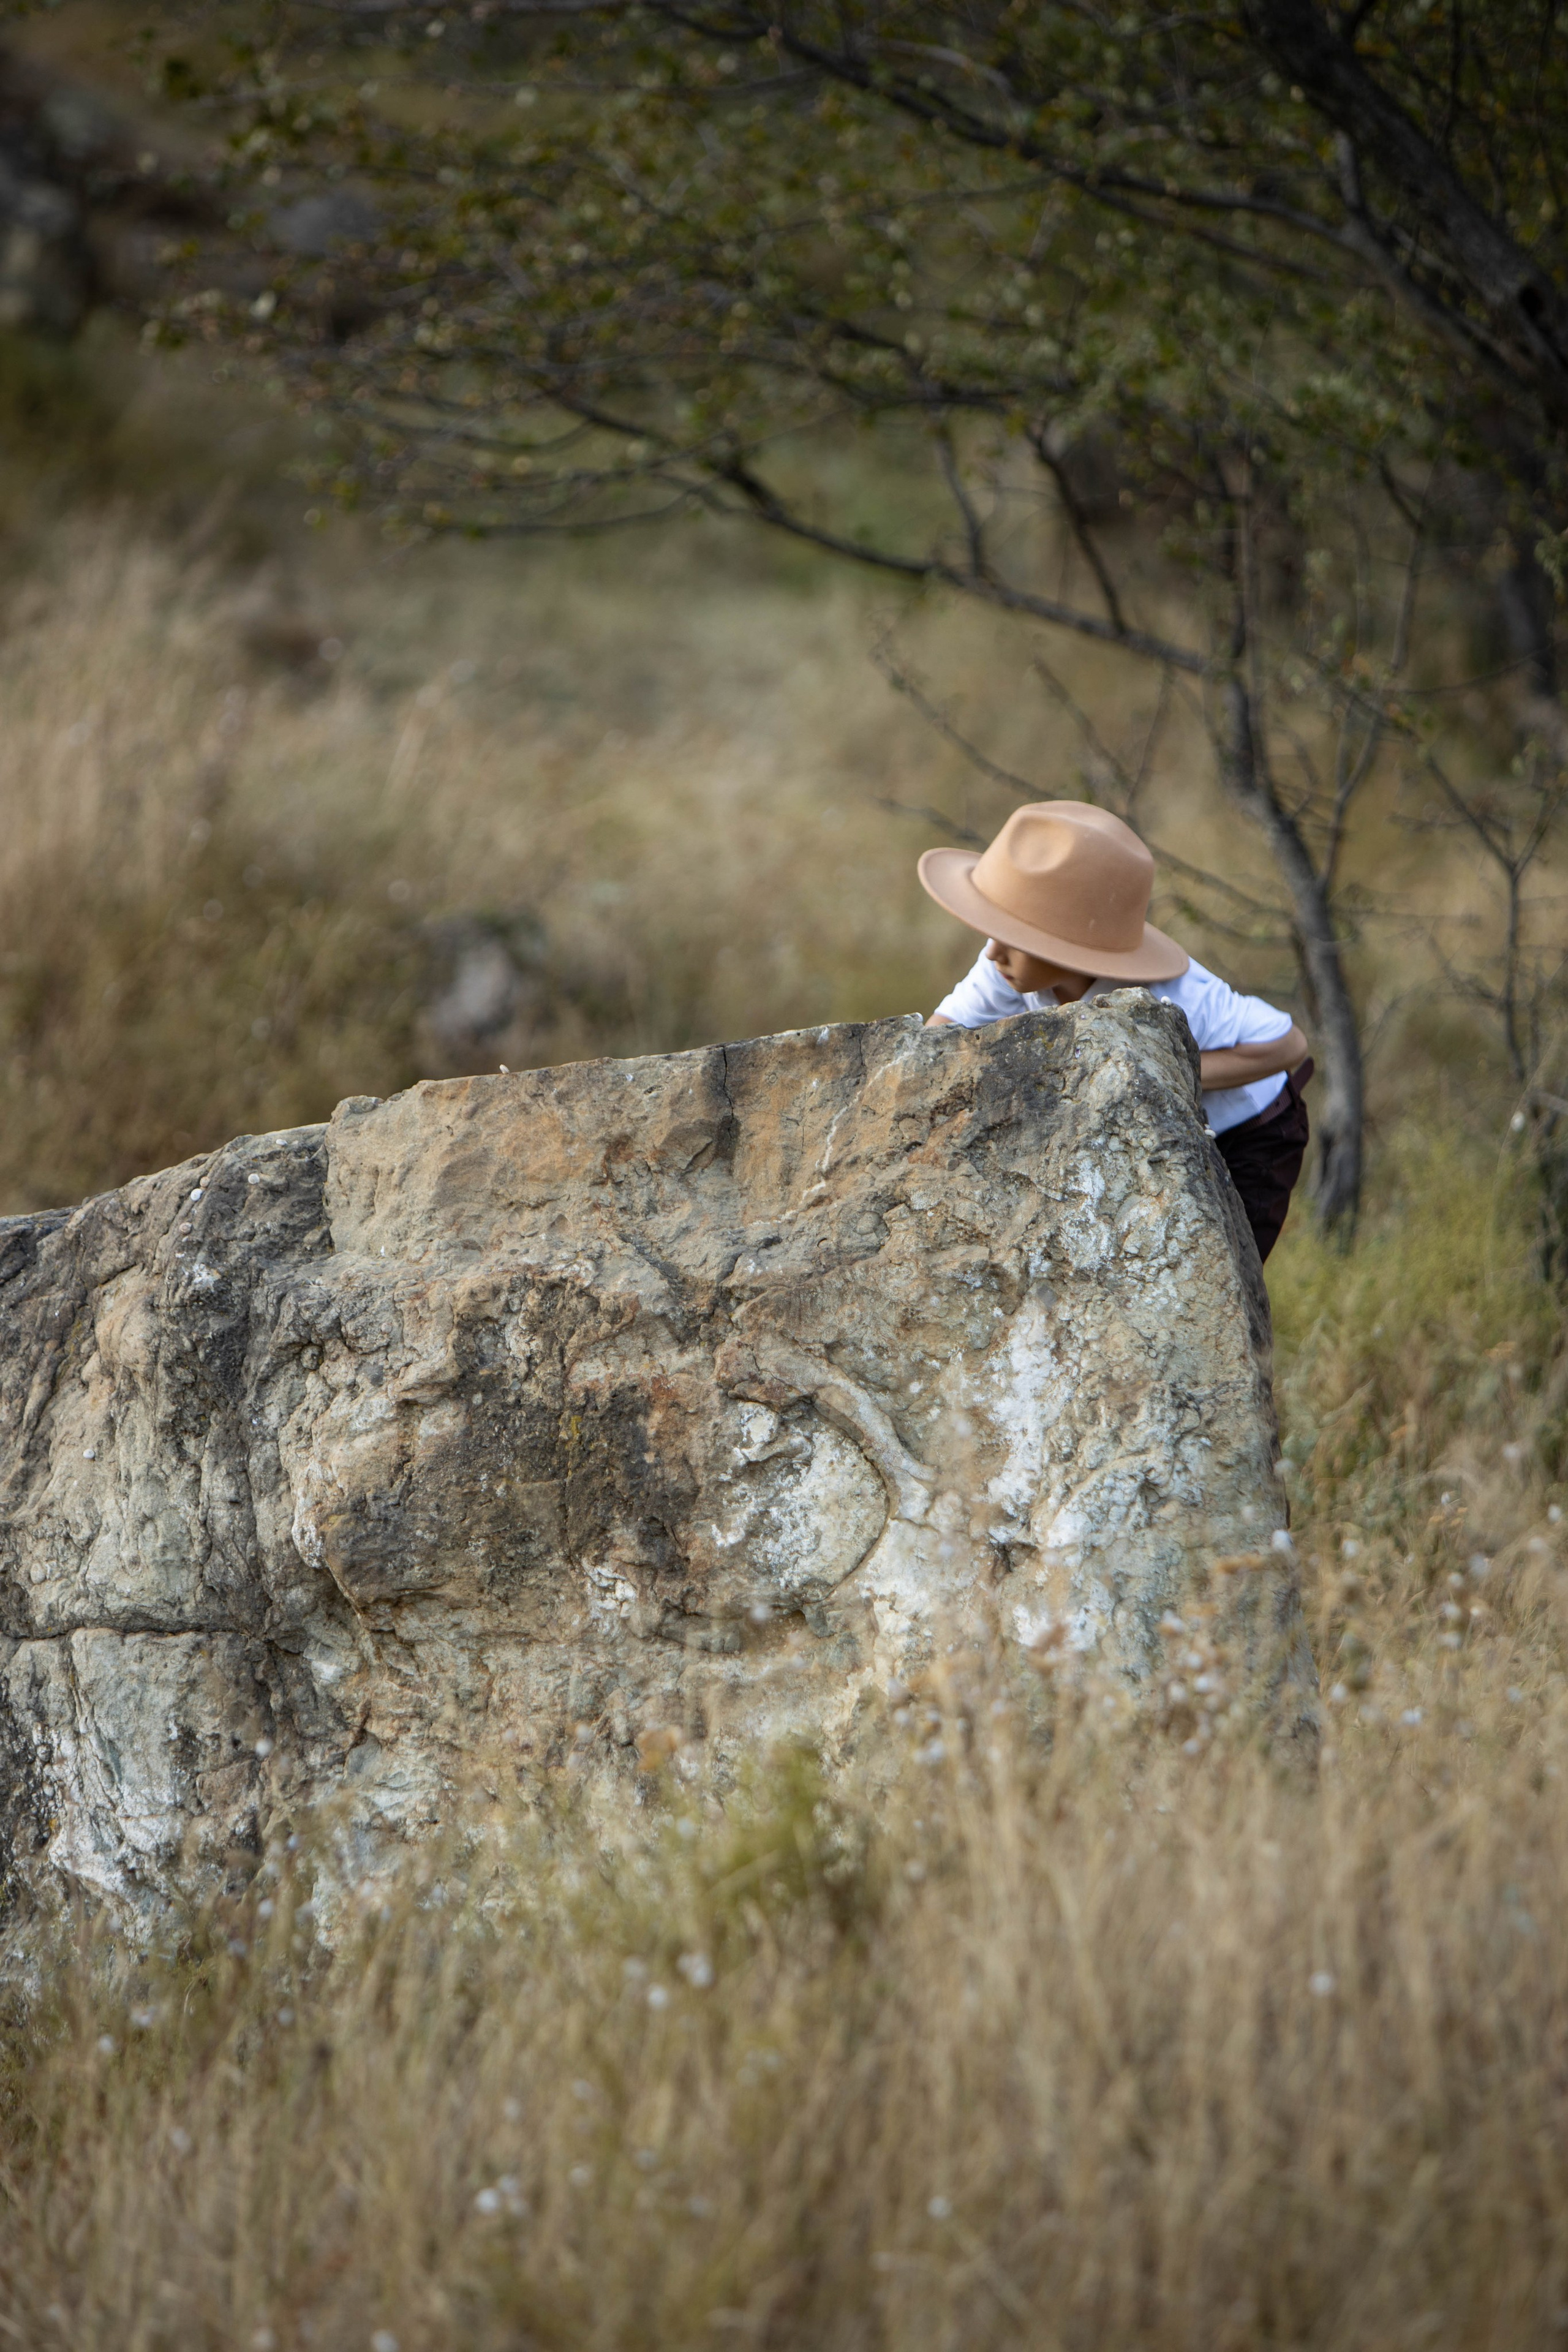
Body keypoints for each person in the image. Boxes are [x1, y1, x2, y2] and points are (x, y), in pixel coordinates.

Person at [919, 800, 1313, 1264]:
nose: (992, 953)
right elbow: (935, 1042)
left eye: (1014, 937)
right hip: (1152, 1127)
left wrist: (1155, 1075)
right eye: (993, 929)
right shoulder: (1005, 968)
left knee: (1218, 1268)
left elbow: (1289, 1044)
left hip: (1249, 1130)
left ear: (1071, 949)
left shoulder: (1173, 996)